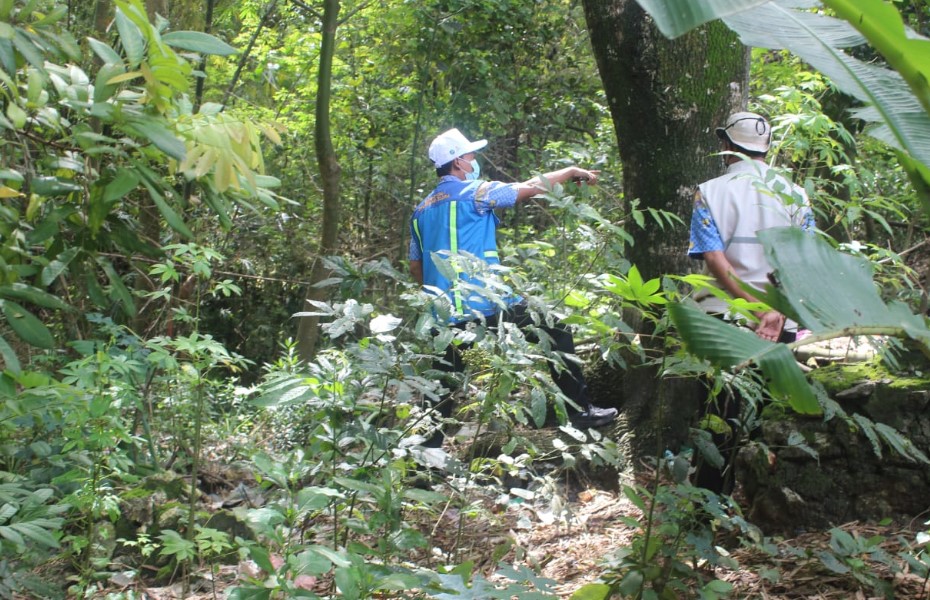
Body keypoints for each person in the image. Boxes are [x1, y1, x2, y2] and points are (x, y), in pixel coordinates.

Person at [409, 127, 618, 447]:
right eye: (470, 156)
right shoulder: (475, 193)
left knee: (442, 382)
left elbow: (416, 267)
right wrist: (568, 172)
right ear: (457, 162)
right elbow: (529, 187)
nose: (474, 160)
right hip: (486, 304)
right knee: (555, 327)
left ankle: (425, 455)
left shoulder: (420, 211)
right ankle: (580, 411)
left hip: (444, 315)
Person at [687, 111, 815, 493]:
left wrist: (753, 309)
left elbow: (714, 259)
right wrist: (774, 311)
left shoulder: (709, 191)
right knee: (769, 414)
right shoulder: (796, 195)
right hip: (781, 321)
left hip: (722, 318)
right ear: (767, 147)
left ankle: (708, 505)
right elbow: (803, 260)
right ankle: (763, 504)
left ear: (726, 145)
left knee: (718, 416)